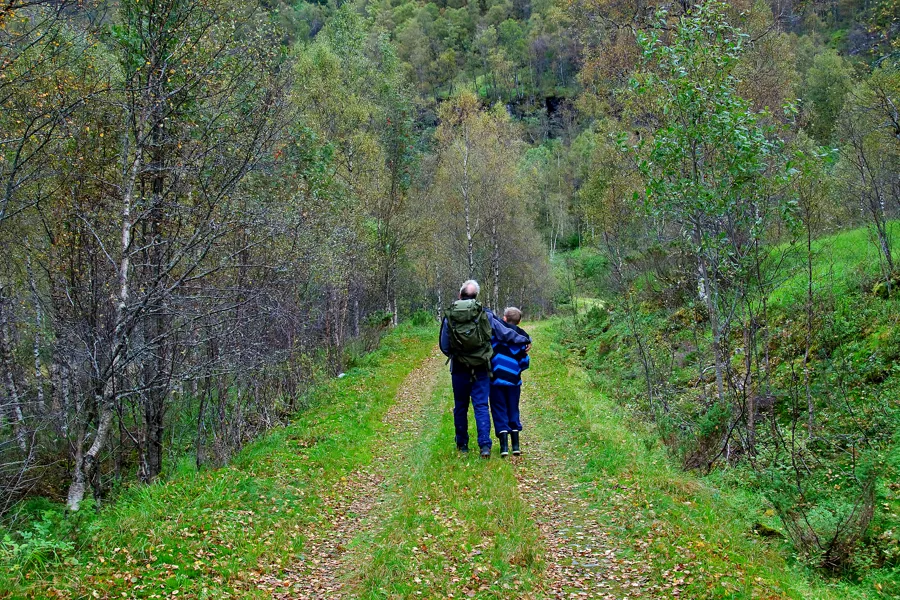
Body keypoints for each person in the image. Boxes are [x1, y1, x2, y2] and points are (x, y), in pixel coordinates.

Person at [440, 280, 531, 459]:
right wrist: (525, 339)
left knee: (460, 406)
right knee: (481, 405)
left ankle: (463, 445)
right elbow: (504, 332)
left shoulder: (450, 315)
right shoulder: (484, 313)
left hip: (459, 368)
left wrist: (459, 354)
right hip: (481, 366)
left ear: (460, 295)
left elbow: (444, 346)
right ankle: (485, 446)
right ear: (476, 297)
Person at [489, 307, 530, 457]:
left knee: (499, 409)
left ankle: (504, 447)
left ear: (504, 319)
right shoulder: (520, 340)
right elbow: (525, 362)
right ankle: (516, 446)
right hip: (514, 382)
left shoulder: (494, 337)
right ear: (519, 322)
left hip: (495, 380)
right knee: (513, 409)